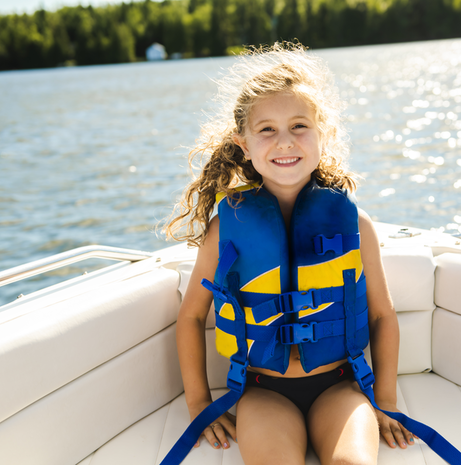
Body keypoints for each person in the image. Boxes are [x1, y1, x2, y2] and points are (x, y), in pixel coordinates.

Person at [164, 42, 416, 465]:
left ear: (323, 134)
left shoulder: (357, 225)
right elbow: (190, 317)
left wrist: (385, 401)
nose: (285, 142)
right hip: (262, 391)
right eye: (267, 130)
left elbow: (381, 316)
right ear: (244, 144)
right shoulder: (227, 227)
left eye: (300, 125)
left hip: (340, 385)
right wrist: (197, 405)